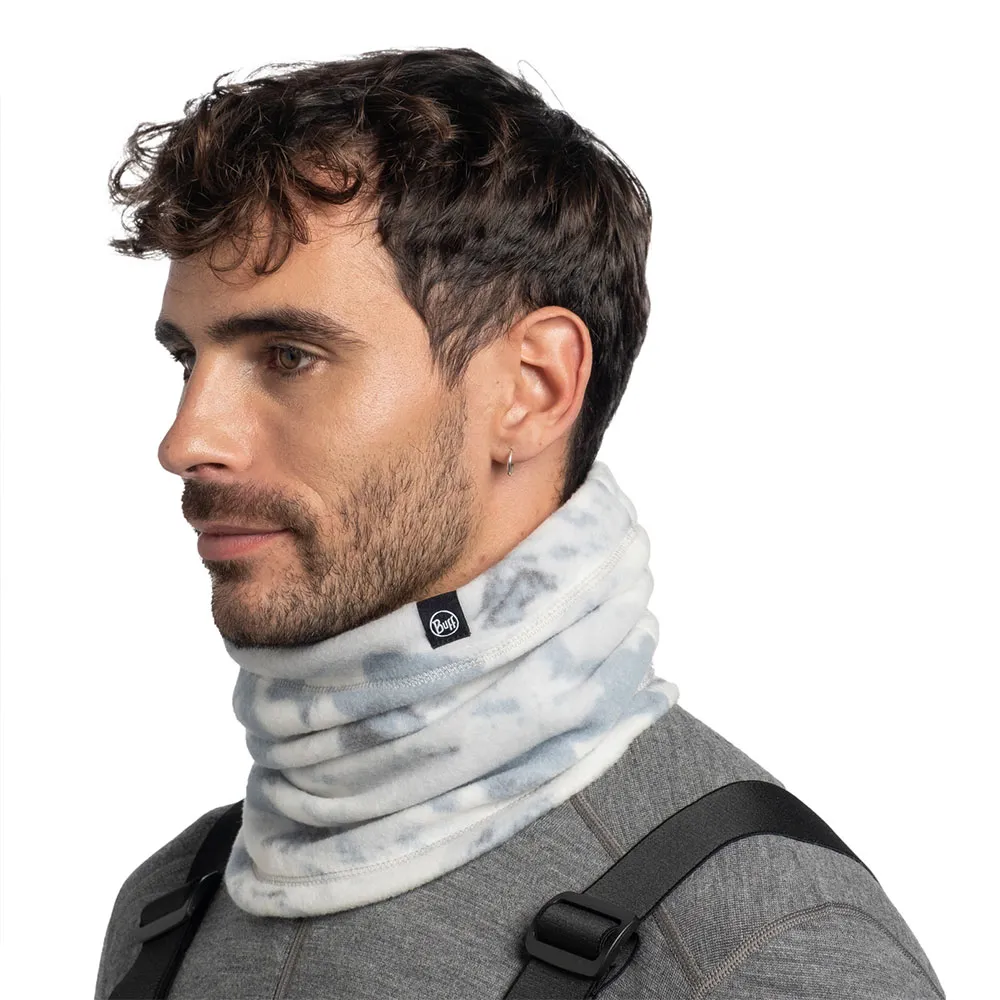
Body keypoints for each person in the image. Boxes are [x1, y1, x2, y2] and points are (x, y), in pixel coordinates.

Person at [94, 47, 945, 999]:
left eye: (289, 355)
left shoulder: (757, 947)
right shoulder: (169, 905)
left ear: (532, 390)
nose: (186, 440)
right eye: (188, 361)